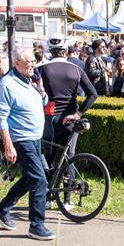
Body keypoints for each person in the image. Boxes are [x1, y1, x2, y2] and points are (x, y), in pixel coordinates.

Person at [0, 48, 54, 240]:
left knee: (30, 178)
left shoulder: (29, 80)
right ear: (16, 63)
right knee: (39, 179)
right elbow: (0, 116)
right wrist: (7, 144)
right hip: (21, 138)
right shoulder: (8, 84)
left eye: (33, 62)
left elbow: (41, 102)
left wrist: (41, 90)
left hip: (34, 137)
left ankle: (3, 209)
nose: (32, 66)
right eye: (28, 62)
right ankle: (36, 225)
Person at [38, 34, 97, 163]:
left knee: (48, 160)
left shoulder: (40, 70)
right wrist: (78, 114)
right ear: (65, 51)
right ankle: (69, 181)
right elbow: (93, 94)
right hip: (70, 118)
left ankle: (50, 182)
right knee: (69, 158)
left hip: (49, 119)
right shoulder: (76, 69)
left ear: (50, 51)